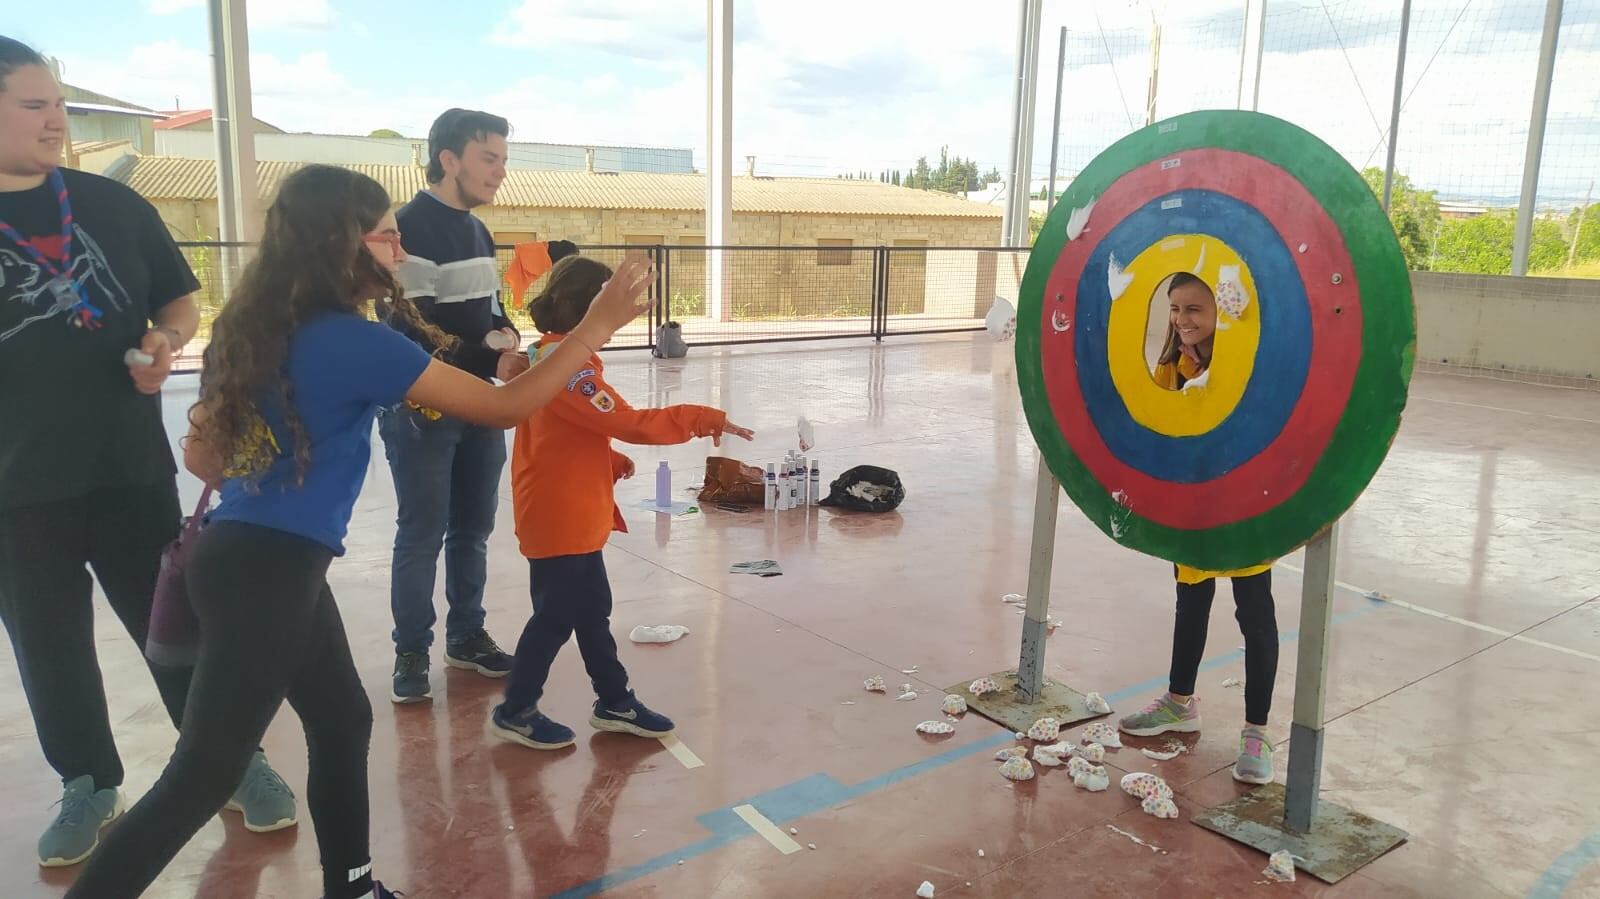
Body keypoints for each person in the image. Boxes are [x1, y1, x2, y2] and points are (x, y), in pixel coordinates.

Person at [62, 164, 656, 899]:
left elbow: (202, 455)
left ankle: (353, 886)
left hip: (254, 556)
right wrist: (595, 327)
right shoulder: (353, 340)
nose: (399, 252)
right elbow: (505, 407)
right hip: (269, 571)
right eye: (386, 236)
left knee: (341, 717)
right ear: (342, 243)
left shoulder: (259, 329)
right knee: (203, 775)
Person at [0, 36, 293, 869]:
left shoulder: (111, 205)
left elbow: (180, 300)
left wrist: (166, 339)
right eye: (34, 104)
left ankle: (232, 759)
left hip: (127, 465)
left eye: (57, 101)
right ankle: (89, 781)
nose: (56, 118)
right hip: (15, 482)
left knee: (175, 625)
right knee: (48, 641)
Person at [490, 255, 753, 750]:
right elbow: (628, 422)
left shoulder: (554, 358)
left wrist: (606, 460)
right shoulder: (568, 370)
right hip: (559, 515)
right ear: (591, 309)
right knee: (556, 616)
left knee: (590, 609)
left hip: (570, 509)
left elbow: (560, 433)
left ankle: (614, 700)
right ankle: (515, 709)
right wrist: (704, 418)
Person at [381, 107, 578, 703]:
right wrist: (489, 362)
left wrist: (508, 337)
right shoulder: (405, 228)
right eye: (489, 159)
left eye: (503, 161)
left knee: (473, 530)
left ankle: (466, 637)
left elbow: (489, 310)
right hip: (421, 409)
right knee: (422, 532)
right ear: (449, 159)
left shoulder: (478, 229)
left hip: (479, 408)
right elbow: (410, 327)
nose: (499, 173)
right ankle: (411, 649)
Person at [1117, 272, 1277, 785]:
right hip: (1193, 506)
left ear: (1220, 312)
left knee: (1254, 612)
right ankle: (1180, 702)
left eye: (1194, 310)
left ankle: (1256, 731)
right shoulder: (1172, 366)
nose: (1182, 321)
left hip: (1246, 506)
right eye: (1174, 310)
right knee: (1191, 600)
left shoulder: (1245, 359)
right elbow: (1158, 432)